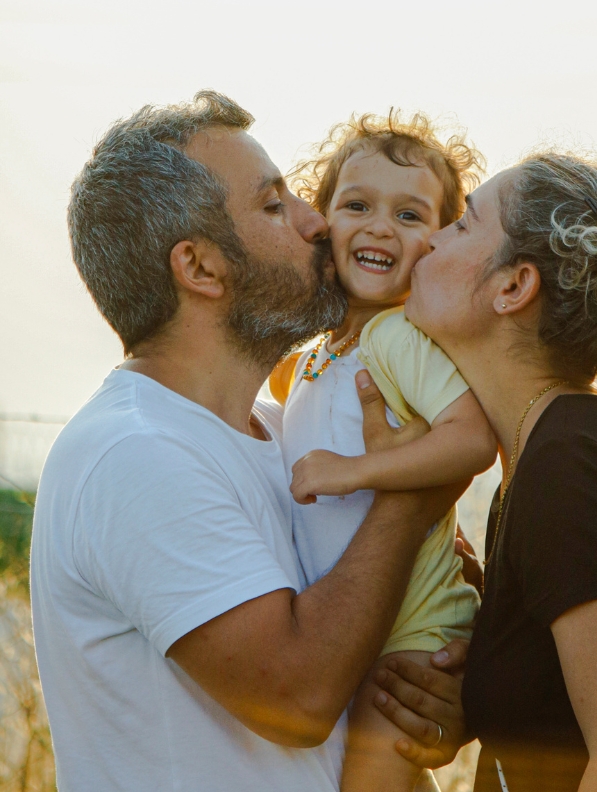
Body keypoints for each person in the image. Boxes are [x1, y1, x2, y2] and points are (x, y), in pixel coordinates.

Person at [30, 91, 468, 792]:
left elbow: (365, 612)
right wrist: (408, 499)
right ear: (200, 268)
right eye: (273, 205)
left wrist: (430, 684)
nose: (315, 221)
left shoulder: (285, 425)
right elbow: (297, 698)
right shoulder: (136, 453)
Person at [378, 151, 597, 790]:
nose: (428, 238)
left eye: (461, 225)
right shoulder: (547, 455)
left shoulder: (574, 465)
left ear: (513, 287)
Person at [269, 112, 496, 792]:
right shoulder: (311, 357)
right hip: (352, 627)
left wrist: (355, 472)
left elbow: (472, 438)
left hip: (413, 628)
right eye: (356, 205)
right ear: (323, 220)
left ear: (438, 243)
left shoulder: (398, 338)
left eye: (408, 214)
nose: (378, 227)